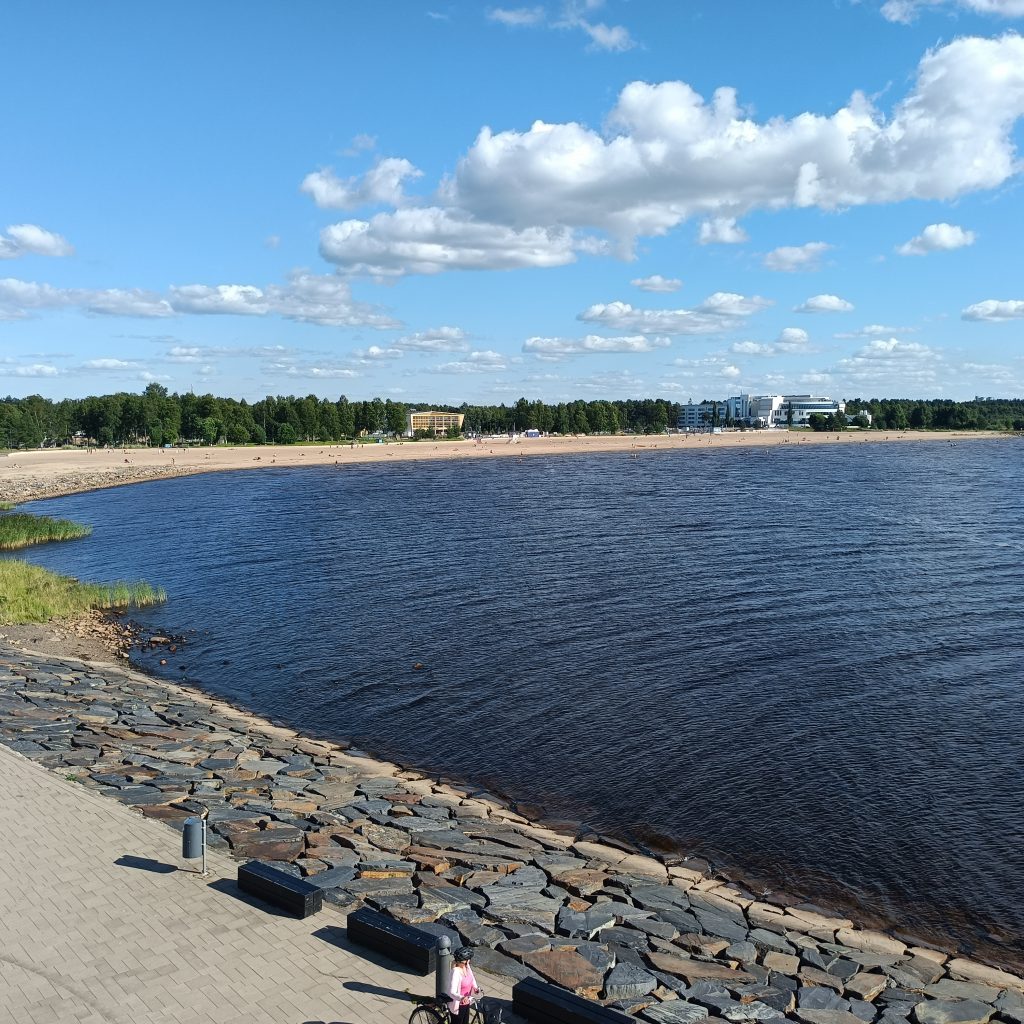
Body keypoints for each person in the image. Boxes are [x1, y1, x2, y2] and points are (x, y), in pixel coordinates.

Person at [446, 948, 481, 1024]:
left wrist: (475, 988)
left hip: (467, 1001)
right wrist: (461, 998)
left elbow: (472, 978)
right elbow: (451, 992)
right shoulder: (455, 972)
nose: (468, 962)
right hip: (458, 1004)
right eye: (464, 962)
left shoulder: (466, 966)